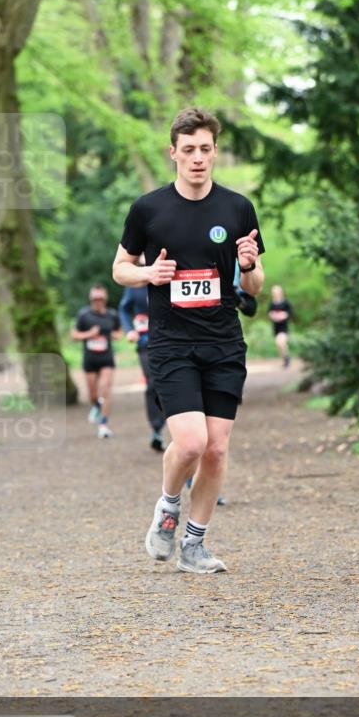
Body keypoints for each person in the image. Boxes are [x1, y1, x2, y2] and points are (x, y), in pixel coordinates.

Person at [112, 107, 265, 574]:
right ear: (173, 153)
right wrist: (148, 274)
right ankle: (168, 506)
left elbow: (254, 286)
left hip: (223, 343)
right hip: (172, 344)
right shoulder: (148, 209)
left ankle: (194, 545)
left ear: (215, 152)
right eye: (189, 150)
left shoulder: (237, 208)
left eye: (205, 149)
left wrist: (249, 264)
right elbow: (120, 269)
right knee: (193, 443)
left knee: (217, 449)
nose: (197, 158)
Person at [118, 280, 166, 452]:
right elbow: (124, 309)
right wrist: (129, 329)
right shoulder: (135, 284)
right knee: (152, 383)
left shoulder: (170, 276)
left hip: (172, 341)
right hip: (146, 343)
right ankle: (157, 430)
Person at [72, 285, 122, 439]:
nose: (97, 301)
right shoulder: (84, 315)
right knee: (93, 395)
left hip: (106, 358)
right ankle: (96, 405)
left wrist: (114, 335)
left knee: (105, 390)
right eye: (95, 299)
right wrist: (90, 334)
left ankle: (103, 425)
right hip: (90, 359)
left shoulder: (112, 315)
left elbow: (119, 332)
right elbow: (74, 335)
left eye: (100, 298)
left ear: (105, 299)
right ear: (91, 299)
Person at [268, 285, 293, 367]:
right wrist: (273, 315)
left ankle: (286, 359)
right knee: (279, 344)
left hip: (284, 327)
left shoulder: (285, 302)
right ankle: (285, 358)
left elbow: (290, 313)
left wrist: (284, 315)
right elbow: (269, 313)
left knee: (280, 342)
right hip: (276, 327)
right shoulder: (272, 303)